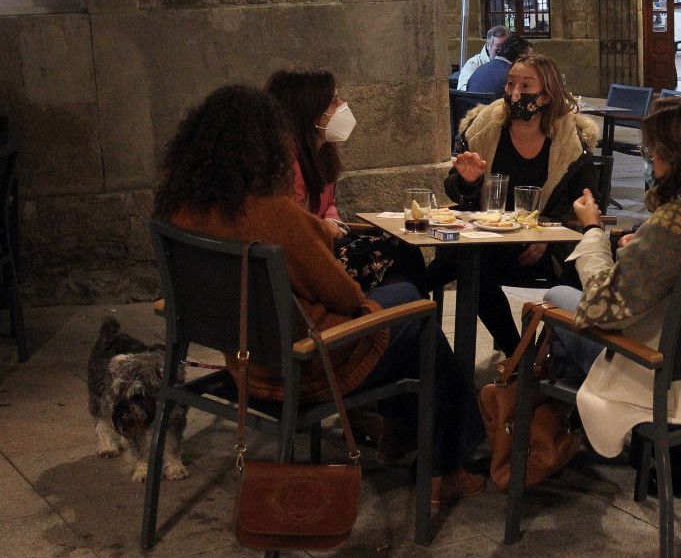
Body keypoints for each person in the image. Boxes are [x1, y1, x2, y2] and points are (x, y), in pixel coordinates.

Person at [153, 85, 485, 502]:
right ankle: (445, 466)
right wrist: (366, 304)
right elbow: (344, 296)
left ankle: (405, 429)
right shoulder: (275, 216)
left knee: (405, 305)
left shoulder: (180, 210)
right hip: (303, 364)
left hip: (243, 359)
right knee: (417, 313)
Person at [542, 98, 681, 458]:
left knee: (555, 299)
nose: (651, 163)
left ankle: (549, 435)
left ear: (675, 158)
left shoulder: (677, 225)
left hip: (667, 370)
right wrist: (644, 243)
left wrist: (592, 230)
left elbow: (606, 308)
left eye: (653, 155)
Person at [429, 52, 598, 355]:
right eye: (510, 84)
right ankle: (519, 355)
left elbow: (584, 202)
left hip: (544, 247)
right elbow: (456, 190)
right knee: (469, 266)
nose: (515, 93)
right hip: (489, 237)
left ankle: (543, 354)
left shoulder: (570, 141)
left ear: (546, 96)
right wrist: (469, 181)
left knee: (577, 267)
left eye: (526, 86)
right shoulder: (485, 129)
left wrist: (546, 231)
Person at [266, 67, 428, 293]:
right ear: (309, 112)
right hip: (311, 260)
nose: (342, 104)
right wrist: (325, 227)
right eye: (333, 101)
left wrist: (333, 220)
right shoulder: (287, 165)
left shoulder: (323, 153)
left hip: (326, 243)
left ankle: (412, 313)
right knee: (397, 255)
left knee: (405, 248)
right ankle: (407, 312)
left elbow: (329, 203)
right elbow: (293, 225)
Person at [464, 35, 531, 98]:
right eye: (527, 58)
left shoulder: (480, 68)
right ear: (520, 57)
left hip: (471, 109)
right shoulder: (511, 75)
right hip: (493, 109)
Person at [457, 25, 509, 90]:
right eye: (498, 46)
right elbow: (462, 90)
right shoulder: (473, 63)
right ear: (488, 45)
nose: (503, 49)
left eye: (505, 45)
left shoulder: (513, 63)